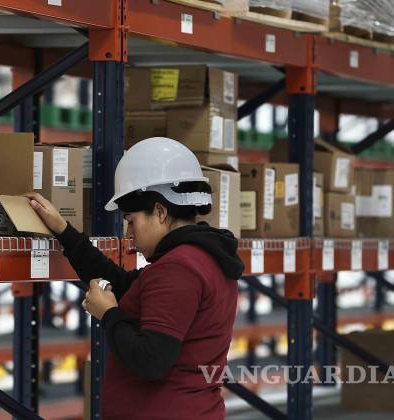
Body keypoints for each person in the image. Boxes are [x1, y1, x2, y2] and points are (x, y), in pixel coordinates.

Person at [26, 137, 244, 420]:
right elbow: (122, 284)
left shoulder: (179, 268)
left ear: (160, 212)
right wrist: (63, 230)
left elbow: (151, 360)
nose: (128, 234)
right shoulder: (199, 259)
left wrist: (109, 314)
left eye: (131, 221)